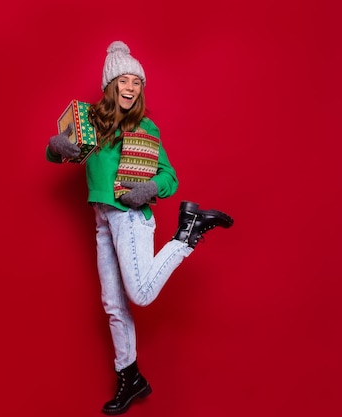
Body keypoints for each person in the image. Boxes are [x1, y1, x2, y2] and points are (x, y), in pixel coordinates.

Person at [45, 40, 234, 415]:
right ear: (110, 85)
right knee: (114, 305)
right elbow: (54, 154)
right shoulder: (90, 122)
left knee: (140, 295)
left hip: (130, 216)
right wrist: (57, 146)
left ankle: (188, 233)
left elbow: (170, 177)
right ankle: (130, 376)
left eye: (137, 81)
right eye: (124, 80)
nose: (131, 87)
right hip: (103, 219)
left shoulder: (145, 127)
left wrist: (147, 189)